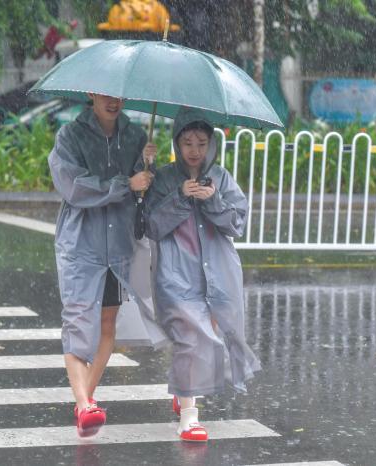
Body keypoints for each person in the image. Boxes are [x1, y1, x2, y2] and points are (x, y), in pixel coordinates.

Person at [144, 107, 261, 442]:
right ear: (176, 143)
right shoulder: (164, 178)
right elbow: (151, 225)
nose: (194, 149)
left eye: (201, 142)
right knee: (192, 339)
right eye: (187, 142)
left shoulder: (222, 178)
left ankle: (184, 396)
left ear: (211, 144)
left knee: (199, 341)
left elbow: (236, 224)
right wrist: (179, 196)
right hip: (175, 275)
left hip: (217, 276)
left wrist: (213, 201)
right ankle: (190, 418)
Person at [49, 93, 159, 437]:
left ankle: (86, 401)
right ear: (92, 95)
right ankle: (84, 404)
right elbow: (73, 187)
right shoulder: (70, 136)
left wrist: (146, 167)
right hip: (83, 243)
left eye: (119, 97)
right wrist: (124, 184)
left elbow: (143, 193)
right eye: (106, 95)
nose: (114, 102)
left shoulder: (135, 136)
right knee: (78, 322)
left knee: (107, 323)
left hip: (118, 244)